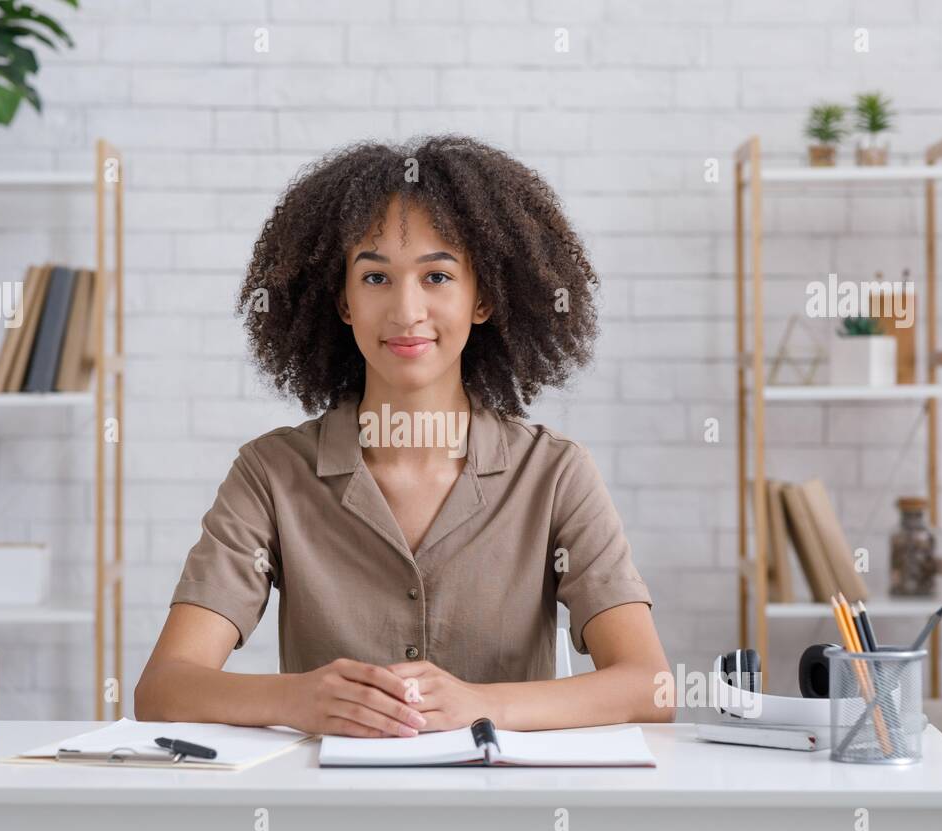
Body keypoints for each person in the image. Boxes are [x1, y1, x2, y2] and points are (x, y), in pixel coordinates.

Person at [135, 135, 673, 736]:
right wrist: (298, 700)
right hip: (331, 820)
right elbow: (163, 688)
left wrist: (485, 706)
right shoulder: (272, 474)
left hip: (508, 819)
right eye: (375, 279)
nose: (406, 310)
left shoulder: (554, 474)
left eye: (437, 276)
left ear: (484, 298)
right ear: (342, 301)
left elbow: (649, 685)